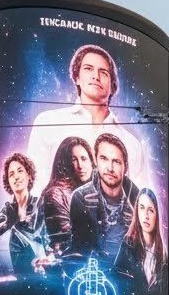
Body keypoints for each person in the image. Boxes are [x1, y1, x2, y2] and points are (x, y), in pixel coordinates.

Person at [26, 44, 147, 191]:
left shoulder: (132, 144)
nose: (95, 76)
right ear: (77, 77)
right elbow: (34, 188)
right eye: (88, 69)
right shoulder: (48, 122)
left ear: (112, 85)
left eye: (103, 72)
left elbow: (140, 202)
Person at [69, 133, 139, 267]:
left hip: (126, 278)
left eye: (116, 161)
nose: (110, 168)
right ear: (95, 160)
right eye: (104, 159)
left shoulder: (138, 204)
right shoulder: (80, 197)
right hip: (91, 275)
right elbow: (77, 248)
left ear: (126, 167)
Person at [0, 152, 55, 283]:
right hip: (21, 274)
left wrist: (49, 258)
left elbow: (51, 240)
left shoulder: (41, 204)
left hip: (44, 272)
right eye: (11, 174)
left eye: (20, 171)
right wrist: (6, 225)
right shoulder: (7, 210)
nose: (16, 177)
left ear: (28, 175)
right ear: (8, 181)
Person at [112, 187, 167, 295]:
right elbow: (116, 282)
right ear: (137, 210)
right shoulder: (128, 245)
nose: (146, 215)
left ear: (157, 215)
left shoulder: (164, 256)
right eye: (142, 208)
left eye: (151, 210)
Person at [40, 136, 94, 255]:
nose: (80, 165)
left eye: (84, 158)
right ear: (65, 163)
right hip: (67, 265)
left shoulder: (92, 192)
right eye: (73, 160)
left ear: (91, 161)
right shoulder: (56, 194)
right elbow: (65, 240)